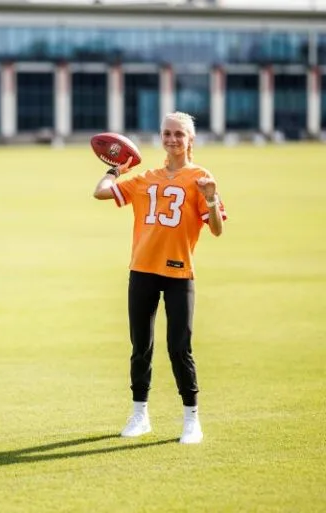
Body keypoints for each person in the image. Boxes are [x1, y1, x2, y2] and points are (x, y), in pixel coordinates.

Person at [92, 112, 226, 445]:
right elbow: (100, 192)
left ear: (190, 139)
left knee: (180, 348)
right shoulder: (146, 177)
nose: (171, 139)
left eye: (179, 134)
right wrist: (116, 169)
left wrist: (210, 197)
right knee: (141, 347)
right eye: (166, 133)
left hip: (179, 272)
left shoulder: (200, 177)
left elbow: (217, 229)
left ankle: (191, 420)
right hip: (142, 270)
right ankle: (140, 415)